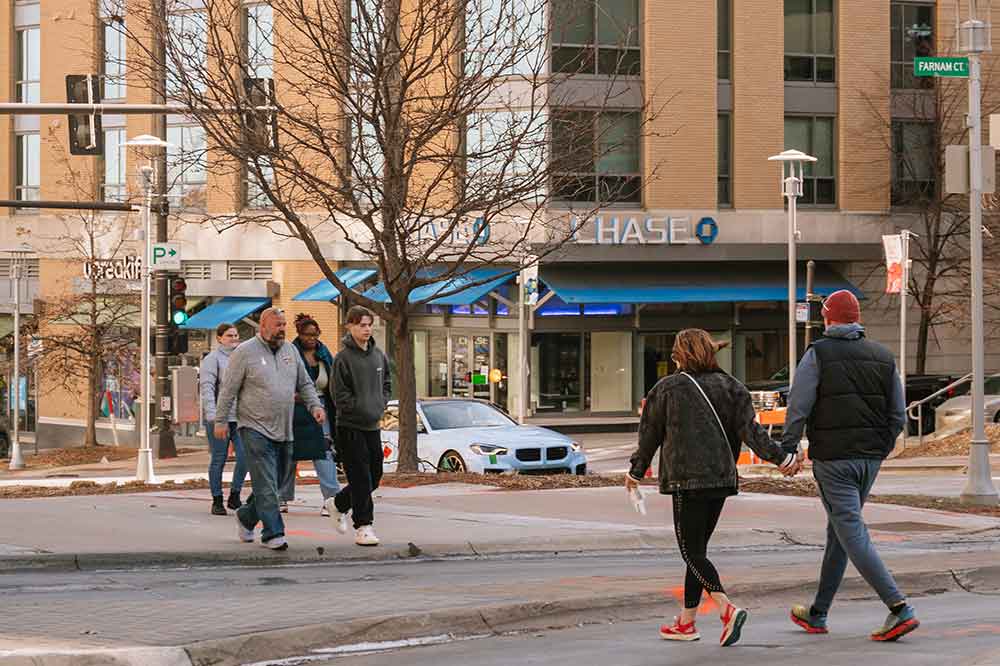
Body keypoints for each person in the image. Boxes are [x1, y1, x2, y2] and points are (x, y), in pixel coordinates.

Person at [626, 328, 798, 647]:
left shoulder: (666, 388)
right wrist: (782, 459)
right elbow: (753, 433)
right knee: (698, 552)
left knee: (691, 553)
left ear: (680, 354)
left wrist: (635, 472)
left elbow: (649, 435)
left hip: (686, 481)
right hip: (721, 480)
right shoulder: (733, 387)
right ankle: (686, 622)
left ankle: (726, 609)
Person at [782, 290, 919, 642]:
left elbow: (799, 404)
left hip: (833, 460)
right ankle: (818, 613)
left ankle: (899, 607)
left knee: (851, 531)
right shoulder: (883, 356)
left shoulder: (818, 354)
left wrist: (789, 446)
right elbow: (897, 415)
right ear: (856, 319)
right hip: (869, 460)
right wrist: (881, 449)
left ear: (828, 319)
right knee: (839, 534)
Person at [215, 308, 325, 551]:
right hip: (254, 427)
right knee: (266, 482)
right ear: (262, 327)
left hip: (284, 428)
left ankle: (246, 517)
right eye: (277, 325)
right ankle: (273, 533)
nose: (282, 329)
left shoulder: (290, 351)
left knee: (275, 483)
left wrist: (314, 405)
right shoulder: (244, 352)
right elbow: (228, 389)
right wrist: (220, 420)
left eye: (284, 324)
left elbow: (304, 383)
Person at [326, 305, 390, 547]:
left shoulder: (378, 356)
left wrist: (380, 404)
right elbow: (338, 394)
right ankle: (364, 526)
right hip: (350, 425)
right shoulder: (343, 358)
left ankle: (338, 504)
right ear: (349, 326)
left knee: (374, 476)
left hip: (373, 425)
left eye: (368, 324)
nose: (366, 329)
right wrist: (359, 408)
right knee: (361, 477)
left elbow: (386, 383)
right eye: (361, 325)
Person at [279, 314, 341, 514]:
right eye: (307, 335)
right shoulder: (288, 352)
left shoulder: (324, 353)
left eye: (315, 334)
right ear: (299, 334)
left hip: (321, 406)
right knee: (290, 452)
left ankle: (331, 498)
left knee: (324, 449)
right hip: (294, 407)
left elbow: (334, 381)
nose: (312, 338)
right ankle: (282, 496)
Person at [200, 323, 248, 515]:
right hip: (220, 417)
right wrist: (213, 416)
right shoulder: (213, 359)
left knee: (245, 457)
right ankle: (217, 499)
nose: (234, 339)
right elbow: (207, 388)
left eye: (236, 335)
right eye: (229, 336)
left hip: (242, 417)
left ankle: (235, 495)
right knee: (219, 458)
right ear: (219, 338)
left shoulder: (243, 357)